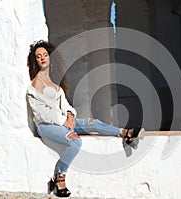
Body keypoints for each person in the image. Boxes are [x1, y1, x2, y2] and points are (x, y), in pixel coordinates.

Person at [25, 40, 144, 197]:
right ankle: (59, 177)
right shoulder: (34, 86)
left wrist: (69, 115)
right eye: (38, 56)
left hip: (62, 121)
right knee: (75, 141)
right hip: (46, 126)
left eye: (45, 55)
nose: (42, 58)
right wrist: (64, 121)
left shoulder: (53, 83)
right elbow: (42, 114)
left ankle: (124, 133)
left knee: (92, 123)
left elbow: (65, 105)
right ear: (35, 61)